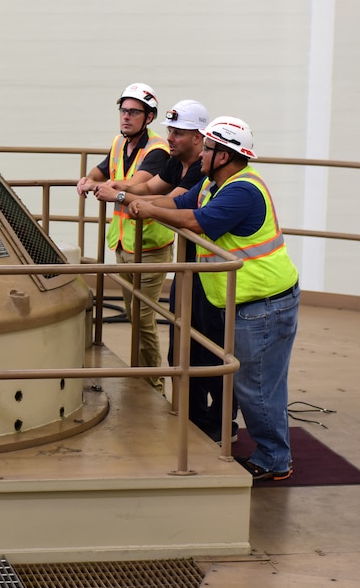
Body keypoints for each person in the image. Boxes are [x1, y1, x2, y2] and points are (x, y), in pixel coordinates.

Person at [129, 116, 299, 480]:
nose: (201, 153)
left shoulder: (241, 191)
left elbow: (197, 222)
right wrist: (133, 200)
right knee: (256, 383)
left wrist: (151, 211)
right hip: (249, 303)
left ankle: (274, 459)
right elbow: (179, 204)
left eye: (207, 148)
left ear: (223, 156)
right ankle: (273, 451)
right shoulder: (213, 184)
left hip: (264, 304)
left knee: (255, 386)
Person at [93, 100, 233, 442]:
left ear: (201, 139)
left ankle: (219, 425)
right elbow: (152, 190)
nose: (170, 138)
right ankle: (194, 416)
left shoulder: (203, 173)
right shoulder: (175, 163)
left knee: (209, 346)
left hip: (217, 277)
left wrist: (126, 199)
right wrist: (124, 193)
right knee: (184, 343)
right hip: (197, 271)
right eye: (170, 131)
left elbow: (181, 207)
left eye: (179, 133)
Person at [76, 83, 172, 393]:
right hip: (124, 244)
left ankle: (154, 383)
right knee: (134, 315)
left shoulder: (158, 149)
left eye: (134, 112)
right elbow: (103, 169)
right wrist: (89, 179)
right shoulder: (120, 142)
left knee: (143, 318)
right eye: (123, 110)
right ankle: (142, 376)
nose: (126, 116)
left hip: (150, 247)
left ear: (149, 117)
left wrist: (111, 188)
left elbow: (140, 183)